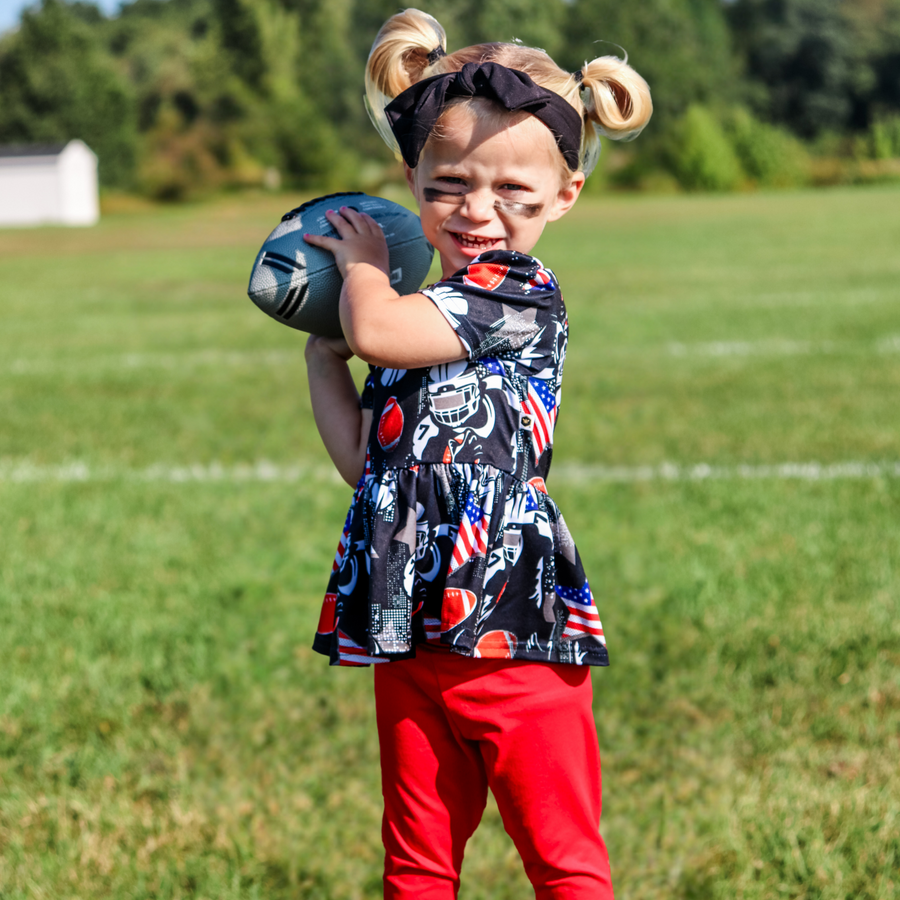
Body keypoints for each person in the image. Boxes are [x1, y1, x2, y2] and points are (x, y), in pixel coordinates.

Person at [302, 9, 651, 899]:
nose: (478, 212)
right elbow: (362, 464)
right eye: (448, 184)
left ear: (565, 195)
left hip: (513, 632)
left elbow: (376, 327)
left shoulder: (517, 296)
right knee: (415, 865)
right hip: (408, 629)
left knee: (562, 860)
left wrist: (364, 267)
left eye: (515, 195)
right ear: (412, 173)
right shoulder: (433, 317)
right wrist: (319, 357)